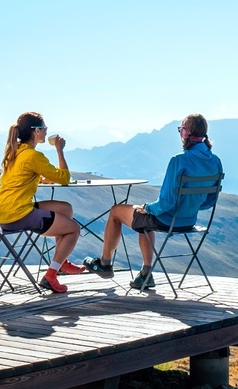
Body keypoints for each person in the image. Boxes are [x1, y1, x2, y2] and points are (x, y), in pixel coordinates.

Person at [83, 113, 223, 289]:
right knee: (143, 222)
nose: (180, 133)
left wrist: (147, 208)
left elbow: (166, 203)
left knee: (116, 211)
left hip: (168, 219)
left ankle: (105, 263)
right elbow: (210, 201)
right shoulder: (215, 161)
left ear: (186, 133)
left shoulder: (179, 160)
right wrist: (190, 206)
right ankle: (145, 274)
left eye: (181, 129)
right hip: (190, 220)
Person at [0, 111, 85, 293]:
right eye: (44, 128)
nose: (46, 131)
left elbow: (19, 176)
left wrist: (39, 179)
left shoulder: (15, 150)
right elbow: (65, 178)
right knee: (74, 229)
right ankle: (51, 275)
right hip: (18, 214)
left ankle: (61, 262)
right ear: (36, 131)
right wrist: (59, 149)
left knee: (65, 209)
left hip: (6, 211)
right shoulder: (34, 156)